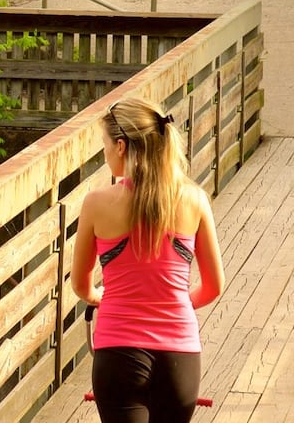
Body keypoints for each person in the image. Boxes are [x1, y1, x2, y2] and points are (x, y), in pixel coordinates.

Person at [69, 96, 226, 423]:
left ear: (122, 146)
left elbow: (81, 284)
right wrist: (174, 304)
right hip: (179, 354)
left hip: (118, 353)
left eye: (106, 145)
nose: (105, 152)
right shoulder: (194, 199)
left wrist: (98, 297)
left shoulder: (97, 204)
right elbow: (213, 286)